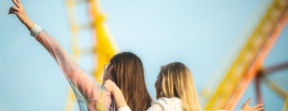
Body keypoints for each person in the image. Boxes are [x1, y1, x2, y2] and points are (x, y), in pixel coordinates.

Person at [8, 0, 152, 111]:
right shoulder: (148, 106)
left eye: (107, 65)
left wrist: (28, 22)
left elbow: (60, 54)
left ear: (113, 69)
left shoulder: (97, 95)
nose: (104, 67)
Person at [104, 62, 264, 111]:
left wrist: (117, 93)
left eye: (158, 78)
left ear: (167, 81)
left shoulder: (166, 106)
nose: (154, 83)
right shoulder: (185, 107)